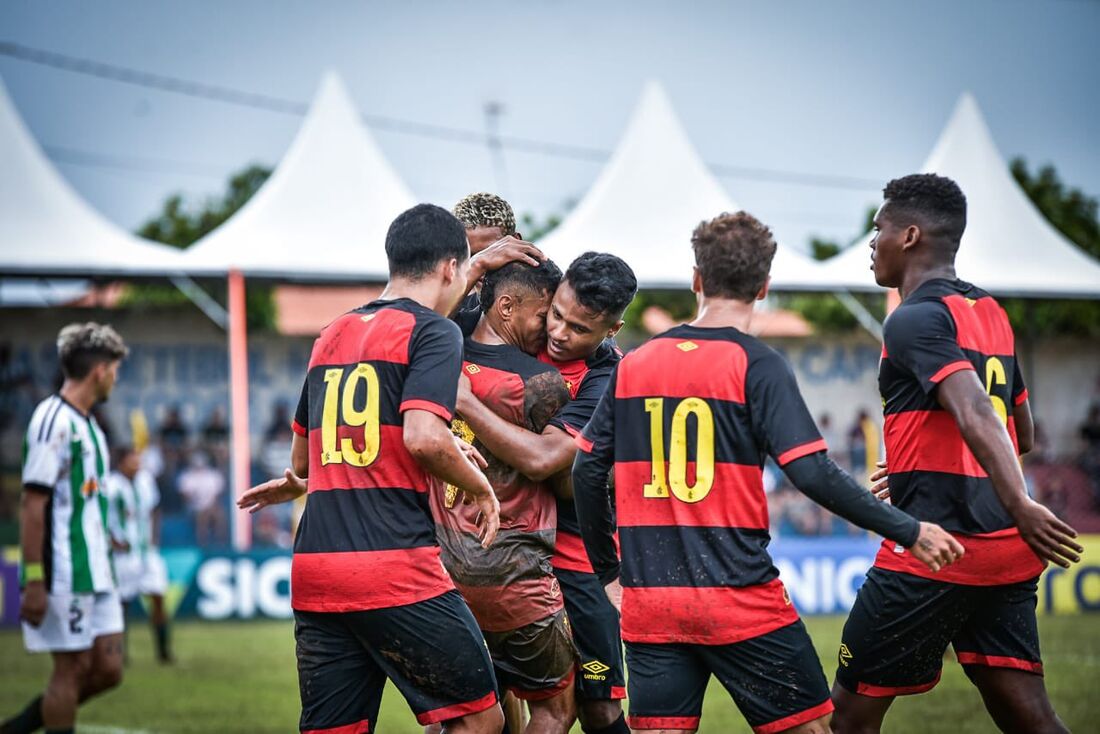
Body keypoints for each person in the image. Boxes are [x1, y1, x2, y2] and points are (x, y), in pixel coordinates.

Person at [572, 211, 963, 734]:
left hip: (653, 602)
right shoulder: (758, 364)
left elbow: (586, 469)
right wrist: (909, 529)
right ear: (764, 287)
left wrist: (607, 573)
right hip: (738, 598)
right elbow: (813, 473)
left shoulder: (634, 364)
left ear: (696, 279)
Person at [830, 174, 1083, 734]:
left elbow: (974, 410)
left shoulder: (912, 318)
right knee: (1031, 717)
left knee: (846, 718)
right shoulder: (989, 310)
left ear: (911, 236)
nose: (872, 242)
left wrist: (1021, 502)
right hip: (1004, 553)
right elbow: (1024, 432)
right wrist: (922, 466)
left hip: (937, 548)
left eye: (880, 229)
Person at [242, 203, 505, 734]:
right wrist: (480, 487)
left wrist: (301, 483)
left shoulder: (330, 335)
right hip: (392, 566)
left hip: (315, 567)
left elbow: (303, 461)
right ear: (452, 268)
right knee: (479, 721)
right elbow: (423, 436)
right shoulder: (434, 331)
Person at [454, 252, 638, 734]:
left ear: (611, 331)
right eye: (555, 313)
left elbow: (551, 469)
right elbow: (424, 309)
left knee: (598, 706)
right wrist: (475, 266)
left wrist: (466, 405)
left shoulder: (607, 377)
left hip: (577, 553)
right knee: (478, 706)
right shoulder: (499, 325)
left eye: (578, 328)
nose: (557, 333)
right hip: (498, 549)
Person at [434, 258, 578, 732]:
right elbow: (564, 482)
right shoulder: (539, 383)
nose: (551, 328)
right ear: (507, 306)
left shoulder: (437, 361)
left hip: (442, 578)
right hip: (515, 578)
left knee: (458, 717)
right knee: (556, 709)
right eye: (545, 314)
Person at [2, 323, 129, 734]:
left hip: (96, 567)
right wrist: (34, 579)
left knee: (108, 668)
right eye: (114, 369)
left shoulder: (90, 425)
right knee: (70, 670)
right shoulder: (51, 421)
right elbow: (33, 503)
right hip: (63, 571)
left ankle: (18, 727)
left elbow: (82, 499)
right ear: (99, 371)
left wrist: (104, 536)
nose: (115, 377)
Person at [107, 445, 173, 664]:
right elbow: (99, 517)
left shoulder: (146, 481)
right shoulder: (111, 485)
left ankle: (163, 652)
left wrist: (155, 537)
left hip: (147, 552)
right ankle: (121, 653)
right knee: (122, 603)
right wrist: (112, 540)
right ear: (121, 462)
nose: (137, 463)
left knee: (158, 598)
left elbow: (155, 509)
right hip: (125, 554)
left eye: (138, 459)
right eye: (132, 460)